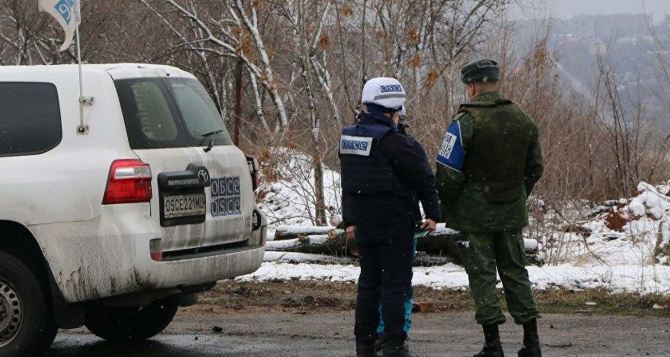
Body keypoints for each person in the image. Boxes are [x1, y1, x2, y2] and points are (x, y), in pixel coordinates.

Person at [435, 59, 544, 357]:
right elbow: (536, 167)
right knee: (516, 272)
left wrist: (450, 204)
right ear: (495, 83)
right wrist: (518, 194)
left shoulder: (464, 122)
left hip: (475, 217)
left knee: (483, 276)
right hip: (511, 214)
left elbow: (446, 172)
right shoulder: (522, 119)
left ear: (471, 86)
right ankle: (531, 342)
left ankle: (493, 345)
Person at [340, 78, 441, 357]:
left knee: (369, 284)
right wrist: (432, 214)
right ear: (394, 107)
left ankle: (364, 343)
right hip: (394, 224)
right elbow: (423, 178)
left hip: (362, 225)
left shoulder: (350, 137)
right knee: (395, 285)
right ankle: (394, 345)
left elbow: (347, 181)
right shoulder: (395, 141)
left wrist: (349, 219)